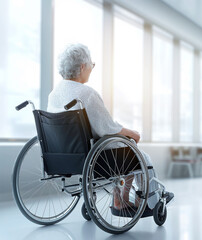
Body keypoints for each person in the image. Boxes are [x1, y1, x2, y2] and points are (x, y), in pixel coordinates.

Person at [47, 43, 141, 210]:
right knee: (137, 154)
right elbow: (107, 128)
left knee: (124, 149)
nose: (92, 68)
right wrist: (133, 133)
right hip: (92, 158)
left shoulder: (53, 94)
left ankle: (120, 197)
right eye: (92, 64)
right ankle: (125, 198)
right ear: (83, 66)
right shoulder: (86, 94)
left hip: (62, 155)